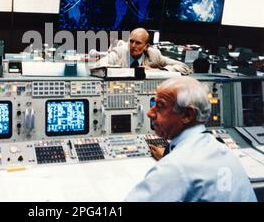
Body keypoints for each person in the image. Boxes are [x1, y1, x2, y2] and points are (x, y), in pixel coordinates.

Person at [125, 77, 257, 202]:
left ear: (187, 115)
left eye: (160, 106)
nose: (150, 113)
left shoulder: (174, 167)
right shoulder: (223, 151)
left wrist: (170, 164)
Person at [98, 28, 191, 75]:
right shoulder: (119, 52)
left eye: (138, 43)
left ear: (146, 47)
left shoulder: (154, 55)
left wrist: (157, 71)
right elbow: (99, 65)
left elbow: (184, 67)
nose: (133, 45)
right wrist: (120, 71)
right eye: (131, 41)